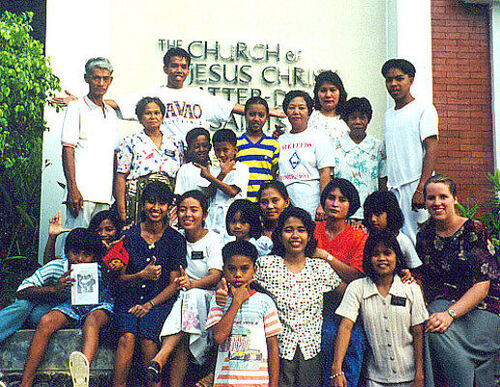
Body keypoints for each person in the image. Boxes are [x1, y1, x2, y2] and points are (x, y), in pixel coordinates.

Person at [416, 175, 500, 387]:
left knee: (440, 331)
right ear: (425, 202)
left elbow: (483, 286)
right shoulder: (424, 234)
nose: (437, 203)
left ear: (455, 199)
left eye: (443, 196)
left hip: (482, 306)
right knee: (433, 329)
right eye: (431, 198)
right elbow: (421, 273)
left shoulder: (474, 230)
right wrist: (410, 276)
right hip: (442, 302)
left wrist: (450, 315)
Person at [256, 207, 345, 386]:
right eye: (288, 230)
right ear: (280, 235)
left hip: (311, 350)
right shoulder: (266, 265)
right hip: (277, 349)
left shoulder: (320, 268)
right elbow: (239, 281)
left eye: (301, 230)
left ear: (309, 236)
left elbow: (351, 293)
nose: (295, 235)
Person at [112, 181, 187, 387]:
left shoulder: (175, 239)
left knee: (147, 337)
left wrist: (150, 305)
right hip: (128, 300)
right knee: (127, 337)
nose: (156, 208)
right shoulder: (128, 236)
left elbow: (175, 284)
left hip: (159, 302)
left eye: (162, 203)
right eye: (150, 202)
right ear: (143, 204)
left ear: (168, 207)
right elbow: (118, 281)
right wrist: (141, 276)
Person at [18, 228, 114, 387]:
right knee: (46, 320)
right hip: (72, 305)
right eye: (75, 253)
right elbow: (21, 291)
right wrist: (54, 289)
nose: (80, 259)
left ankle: (82, 377)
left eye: (86, 254)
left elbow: (114, 286)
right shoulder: (56, 267)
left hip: (99, 304)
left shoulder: (100, 268)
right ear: (67, 252)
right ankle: (26, 382)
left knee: (91, 322)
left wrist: (105, 260)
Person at [146, 190, 224, 386]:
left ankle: (160, 358)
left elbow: (216, 275)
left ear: (204, 214)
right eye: (182, 210)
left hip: (207, 298)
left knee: (192, 296)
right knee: (183, 337)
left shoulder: (213, 240)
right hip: (182, 302)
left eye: (194, 210)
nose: (187, 214)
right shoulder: (175, 238)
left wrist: (192, 284)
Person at [332, 230, 427, 387]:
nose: (382, 258)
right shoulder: (357, 288)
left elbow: (418, 333)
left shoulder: (411, 289)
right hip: (374, 379)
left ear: (397, 256)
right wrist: (337, 369)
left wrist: (419, 374)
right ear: (368, 259)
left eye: (387, 253)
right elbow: (345, 327)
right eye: (375, 254)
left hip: (410, 378)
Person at [312, 179, 367, 387]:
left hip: (346, 307)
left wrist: (326, 257)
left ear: (350, 206)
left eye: (342, 200)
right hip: (312, 305)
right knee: (325, 337)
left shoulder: (358, 236)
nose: (335, 203)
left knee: (354, 341)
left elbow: (356, 276)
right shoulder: (311, 229)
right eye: (331, 198)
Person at [206, 240, 282, 387]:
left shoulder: (265, 302)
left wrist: (273, 384)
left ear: (254, 270)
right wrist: (236, 302)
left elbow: (272, 346)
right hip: (225, 382)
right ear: (223, 270)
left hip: (257, 382)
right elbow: (219, 337)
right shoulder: (219, 301)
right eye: (232, 269)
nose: (238, 274)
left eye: (244, 269)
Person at [381, 59, 439, 245]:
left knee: (421, 240)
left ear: (411, 80)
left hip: (416, 187)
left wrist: (421, 188)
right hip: (395, 190)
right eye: (389, 80)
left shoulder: (423, 108)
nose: (393, 84)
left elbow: (431, 148)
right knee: (399, 241)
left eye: (399, 79)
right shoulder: (388, 115)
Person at [60, 57, 120, 229]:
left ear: (110, 80)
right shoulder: (76, 107)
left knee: (99, 249)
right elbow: (68, 149)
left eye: (105, 78)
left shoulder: (111, 114)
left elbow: (114, 157)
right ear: (87, 78)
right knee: (75, 244)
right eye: (96, 78)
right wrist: (73, 188)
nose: (101, 83)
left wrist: (114, 195)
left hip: (105, 197)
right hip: (81, 195)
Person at [115, 96, 183, 224]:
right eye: (147, 113)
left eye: (156, 113)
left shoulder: (175, 142)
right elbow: (121, 177)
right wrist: (122, 211)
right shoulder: (130, 141)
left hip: (167, 201)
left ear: (162, 116)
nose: (153, 117)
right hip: (138, 200)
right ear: (140, 118)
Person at [277, 90, 335, 220]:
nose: (296, 112)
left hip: (311, 203)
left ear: (309, 112)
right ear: (286, 112)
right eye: (291, 108)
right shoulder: (279, 140)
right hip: (285, 203)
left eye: (301, 108)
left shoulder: (319, 137)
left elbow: (325, 172)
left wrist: (322, 203)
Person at [332, 97, 387, 220]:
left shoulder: (378, 147)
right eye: (353, 118)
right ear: (346, 120)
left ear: (368, 120)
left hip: (370, 214)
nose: (358, 122)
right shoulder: (335, 147)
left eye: (362, 117)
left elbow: (382, 181)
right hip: (342, 214)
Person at [198, 129, 250, 236]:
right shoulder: (212, 169)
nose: (221, 154)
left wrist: (210, 177)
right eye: (218, 150)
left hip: (234, 217)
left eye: (225, 150)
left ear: (235, 150)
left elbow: (232, 191)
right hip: (213, 216)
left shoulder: (241, 168)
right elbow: (208, 193)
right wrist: (222, 173)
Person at [363, 191, 422, 271]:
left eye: (378, 214)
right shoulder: (364, 236)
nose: (373, 219)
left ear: (391, 214)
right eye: (369, 215)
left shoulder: (402, 240)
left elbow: (415, 268)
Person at [236, 96, 280, 201]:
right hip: (243, 200)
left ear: (266, 117)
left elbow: (273, 173)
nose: (256, 119)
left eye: (261, 115)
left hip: (265, 201)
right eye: (252, 114)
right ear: (245, 116)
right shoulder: (237, 144)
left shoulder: (273, 144)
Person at [308, 71, 350, 141]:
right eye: (323, 90)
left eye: (332, 90)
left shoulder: (348, 119)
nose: (328, 95)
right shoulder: (309, 118)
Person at [174, 127, 212, 196]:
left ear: (210, 147)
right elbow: (179, 194)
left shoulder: (216, 168)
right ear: (189, 149)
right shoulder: (185, 170)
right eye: (196, 146)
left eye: (204, 146)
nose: (201, 149)